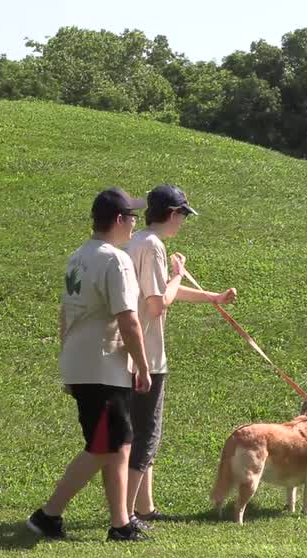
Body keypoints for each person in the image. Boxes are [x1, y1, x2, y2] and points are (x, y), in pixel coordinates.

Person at [28, 187, 154, 542]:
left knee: (118, 443)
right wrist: (142, 365)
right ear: (118, 220)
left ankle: (120, 522)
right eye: (131, 217)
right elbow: (128, 318)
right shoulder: (115, 260)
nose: (134, 224)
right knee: (103, 446)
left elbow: (65, 313)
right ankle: (48, 514)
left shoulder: (78, 256)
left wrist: (66, 359)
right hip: (104, 366)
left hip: (83, 362)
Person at [124, 184, 236, 524]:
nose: (183, 223)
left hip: (131, 354)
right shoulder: (153, 247)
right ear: (172, 214)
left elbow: (160, 293)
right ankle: (126, 515)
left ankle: (145, 508)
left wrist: (213, 297)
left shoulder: (137, 242)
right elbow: (158, 303)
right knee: (146, 434)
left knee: (142, 433)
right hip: (147, 357)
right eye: (183, 216)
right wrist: (176, 275)